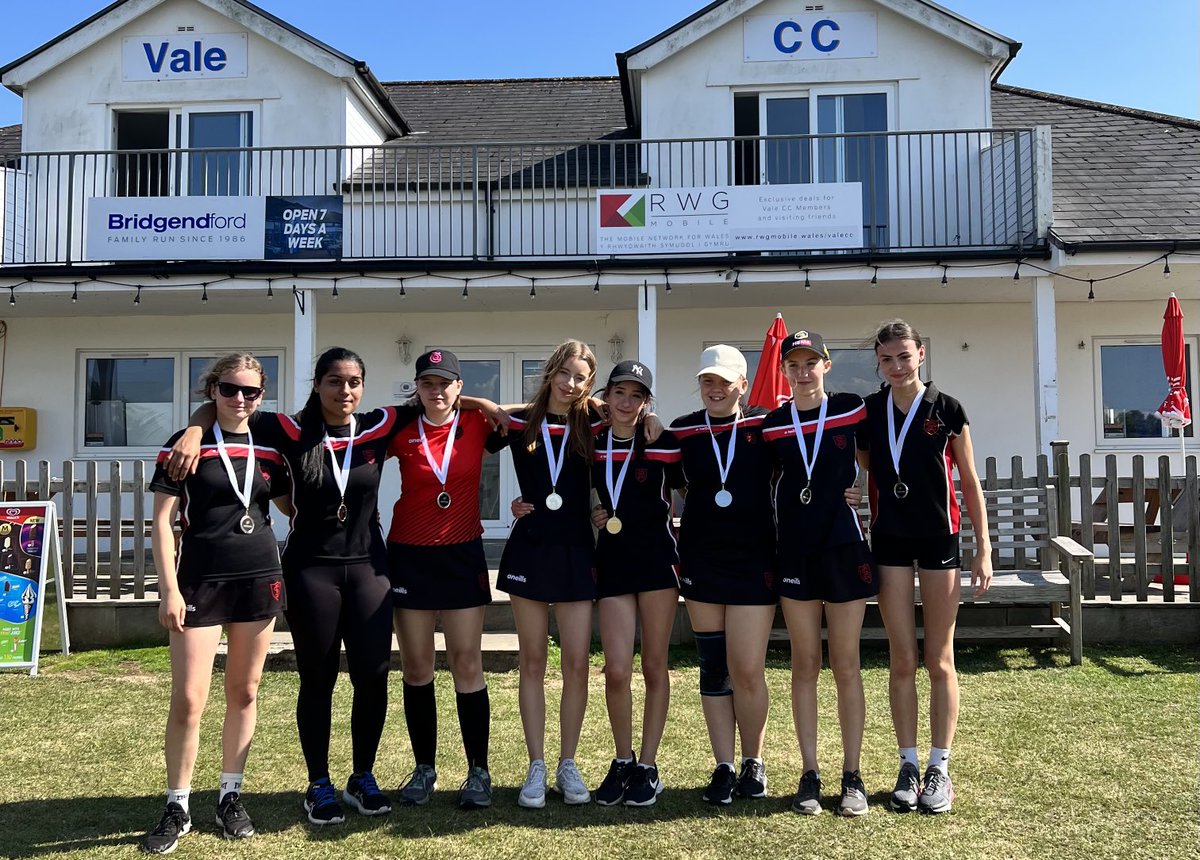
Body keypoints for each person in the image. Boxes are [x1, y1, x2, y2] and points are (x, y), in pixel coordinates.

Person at [166, 347, 504, 825]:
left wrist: (486, 406)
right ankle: (319, 783)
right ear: (318, 384)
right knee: (318, 679)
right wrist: (196, 429)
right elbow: (227, 408)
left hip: (370, 568)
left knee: (372, 676)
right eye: (334, 381)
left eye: (353, 382)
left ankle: (362, 776)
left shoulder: (380, 424)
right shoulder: (287, 430)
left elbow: (441, 401)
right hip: (311, 570)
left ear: (362, 386)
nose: (344, 391)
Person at [141, 354, 290, 854]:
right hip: (199, 582)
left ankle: (230, 795)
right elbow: (161, 522)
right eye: (230, 389)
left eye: (251, 391)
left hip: (259, 580)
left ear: (262, 395)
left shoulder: (270, 445)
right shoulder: (185, 446)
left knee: (244, 693)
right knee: (188, 699)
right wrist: (168, 589)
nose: (240, 399)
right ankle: (177, 805)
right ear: (213, 391)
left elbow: (292, 502)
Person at [858, 319, 992, 815]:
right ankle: (908, 763)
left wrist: (984, 548)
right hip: (889, 539)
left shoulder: (948, 409)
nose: (896, 366)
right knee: (901, 658)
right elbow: (867, 464)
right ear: (879, 362)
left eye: (904, 356)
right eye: (887, 359)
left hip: (940, 539)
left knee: (939, 658)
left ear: (920, 355)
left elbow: (971, 481)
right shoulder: (870, 410)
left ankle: (940, 766)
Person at [761, 331, 877, 817]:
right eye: (794, 364)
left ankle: (853, 775)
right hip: (795, 552)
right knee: (804, 665)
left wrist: (866, 489)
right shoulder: (772, 424)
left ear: (826, 365)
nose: (803, 371)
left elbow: (878, 453)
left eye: (812, 362)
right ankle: (809, 772)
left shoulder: (852, 409)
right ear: (784, 371)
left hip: (844, 549)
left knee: (846, 664)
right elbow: (757, 480)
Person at [490, 339, 602, 808]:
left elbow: (635, 418)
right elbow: (479, 415)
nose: (570, 384)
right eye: (564, 373)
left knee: (576, 662)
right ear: (551, 371)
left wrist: (648, 414)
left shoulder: (592, 422)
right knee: (533, 661)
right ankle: (536, 765)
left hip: (577, 548)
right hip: (531, 547)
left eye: (580, 377)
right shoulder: (520, 422)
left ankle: (567, 763)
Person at [385, 349, 495, 810]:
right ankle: (425, 768)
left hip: (462, 552)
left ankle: (478, 771)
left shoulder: (480, 425)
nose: (436, 391)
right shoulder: (397, 427)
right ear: (417, 387)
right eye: (427, 383)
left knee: (467, 663)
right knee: (417, 667)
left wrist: (486, 405)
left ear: (458, 385)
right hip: (410, 555)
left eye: (444, 383)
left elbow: (543, 408)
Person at [669, 344, 776, 805]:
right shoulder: (681, 431)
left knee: (747, 670)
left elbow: (813, 455)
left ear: (742, 385)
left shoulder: (765, 424)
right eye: (707, 381)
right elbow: (654, 476)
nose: (715, 389)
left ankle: (753, 759)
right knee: (713, 668)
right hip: (701, 560)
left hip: (755, 561)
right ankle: (724, 765)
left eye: (724, 381)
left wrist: (849, 489)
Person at [588, 360, 684, 807]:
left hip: (658, 565)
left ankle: (648, 764)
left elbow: (695, 489)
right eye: (618, 394)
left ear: (647, 402)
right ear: (606, 397)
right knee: (617, 670)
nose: (626, 403)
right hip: (612, 564)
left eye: (636, 396)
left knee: (653, 666)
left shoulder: (663, 442)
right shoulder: (590, 442)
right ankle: (622, 759)